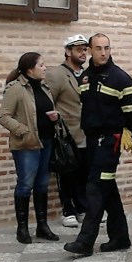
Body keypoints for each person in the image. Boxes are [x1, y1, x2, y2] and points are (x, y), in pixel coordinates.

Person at [63, 34, 132, 256]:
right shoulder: (86, 78)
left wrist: (126, 133)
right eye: (98, 48)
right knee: (107, 190)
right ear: (89, 50)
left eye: (107, 48)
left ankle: (85, 241)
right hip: (92, 141)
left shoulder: (121, 79)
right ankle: (120, 237)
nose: (103, 52)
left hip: (110, 141)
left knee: (95, 189)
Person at [0, 52, 61, 244]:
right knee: (26, 184)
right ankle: (22, 228)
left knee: (42, 184)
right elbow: (3, 116)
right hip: (26, 144)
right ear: (29, 69)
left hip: (46, 141)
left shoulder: (45, 87)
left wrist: (55, 118)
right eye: (41, 65)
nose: (45, 68)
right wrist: (22, 130)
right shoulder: (16, 88)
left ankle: (42, 226)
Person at [45, 35, 89, 228]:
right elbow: (49, 102)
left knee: (83, 173)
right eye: (78, 49)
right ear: (68, 51)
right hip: (66, 134)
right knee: (67, 174)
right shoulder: (57, 74)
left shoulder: (87, 74)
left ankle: (82, 208)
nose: (83, 53)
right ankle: (67, 210)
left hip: (86, 132)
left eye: (85, 49)